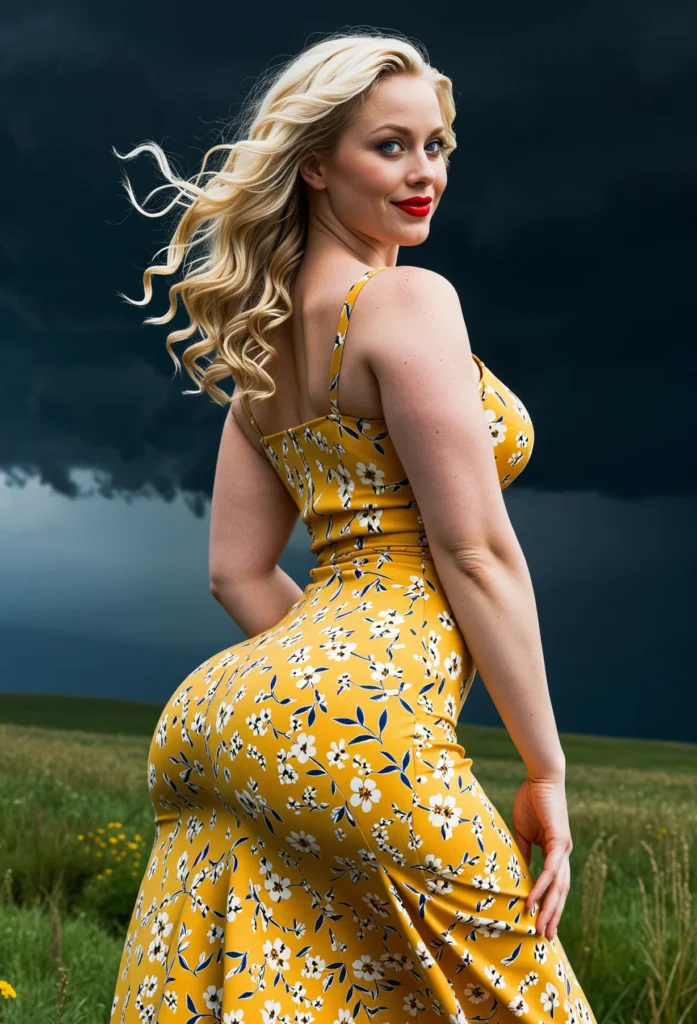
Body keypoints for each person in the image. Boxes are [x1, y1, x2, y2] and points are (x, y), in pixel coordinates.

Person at [110, 29, 597, 1024]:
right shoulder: (408, 301)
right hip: (354, 732)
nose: (426, 174)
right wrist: (543, 767)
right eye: (391, 146)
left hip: (214, 721)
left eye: (439, 145)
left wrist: (314, 679)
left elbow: (236, 576)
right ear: (315, 164)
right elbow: (474, 548)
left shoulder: (262, 331)